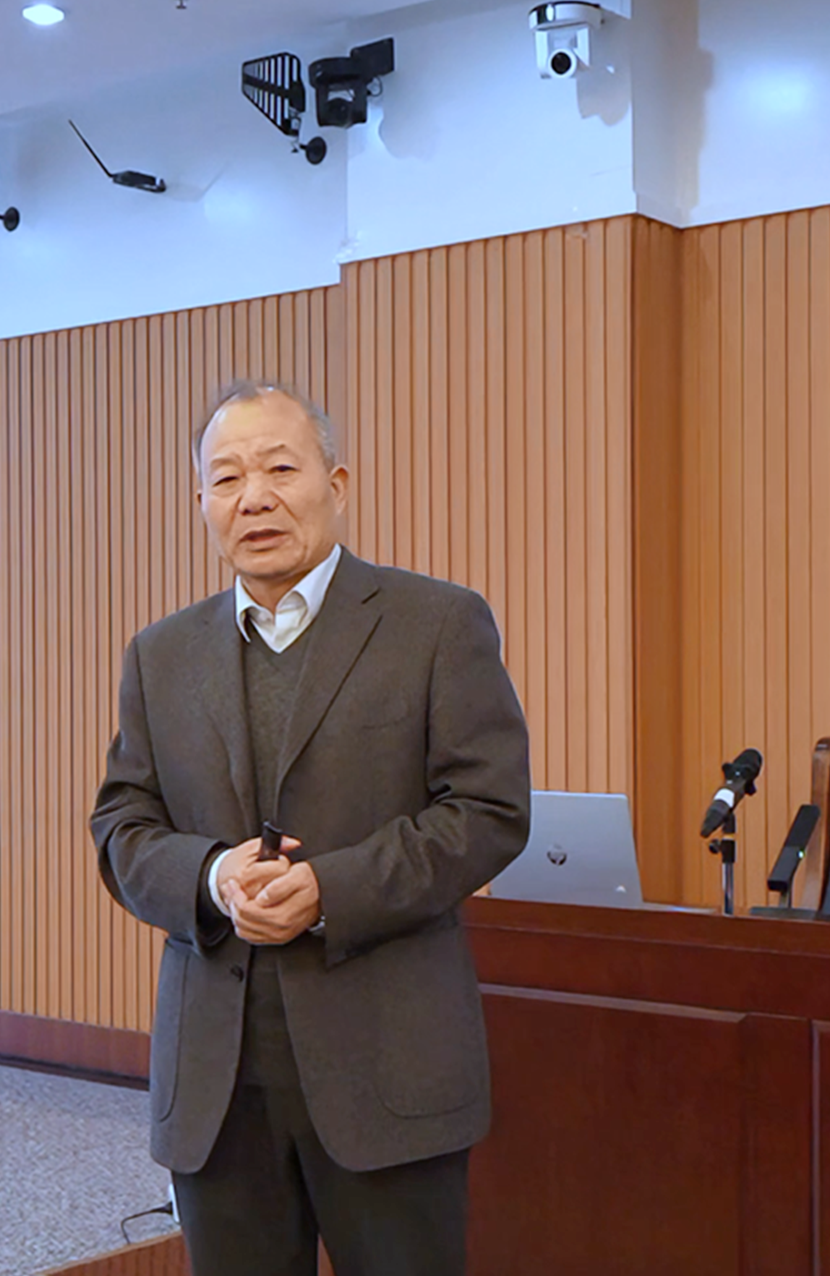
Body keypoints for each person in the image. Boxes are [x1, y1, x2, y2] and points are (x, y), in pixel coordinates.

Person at [91, 380, 532, 1276]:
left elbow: (489, 810)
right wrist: (212, 876)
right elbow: (123, 823)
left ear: (337, 483)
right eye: (227, 478)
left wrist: (332, 889)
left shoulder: (436, 623)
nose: (254, 497)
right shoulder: (161, 653)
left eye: (279, 470)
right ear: (202, 502)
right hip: (217, 1083)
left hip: (389, 1069)